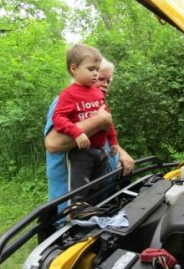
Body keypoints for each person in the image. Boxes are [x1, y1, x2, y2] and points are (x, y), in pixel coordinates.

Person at [44, 48, 134, 211]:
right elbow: (52, 143)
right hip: (69, 211)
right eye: (100, 78)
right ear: (76, 71)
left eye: (108, 81)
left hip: (100, 202)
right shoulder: (64, 100)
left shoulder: (96, 102)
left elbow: (100, 135)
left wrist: (120, 152)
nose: (105, 85)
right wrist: (99, 120)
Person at [52, 44, 118, 203]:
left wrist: (114, 142)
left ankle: (91, 207)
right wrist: (78, 132)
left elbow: (108, 121)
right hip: (81, 152)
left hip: (100, 152)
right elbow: (55, 136)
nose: (97, 75)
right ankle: (76, 210)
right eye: (93, 71)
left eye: (98, 71)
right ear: (74, 69)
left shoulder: (96, 94)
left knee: (96, 187)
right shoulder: (66, 96)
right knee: (80, 189)